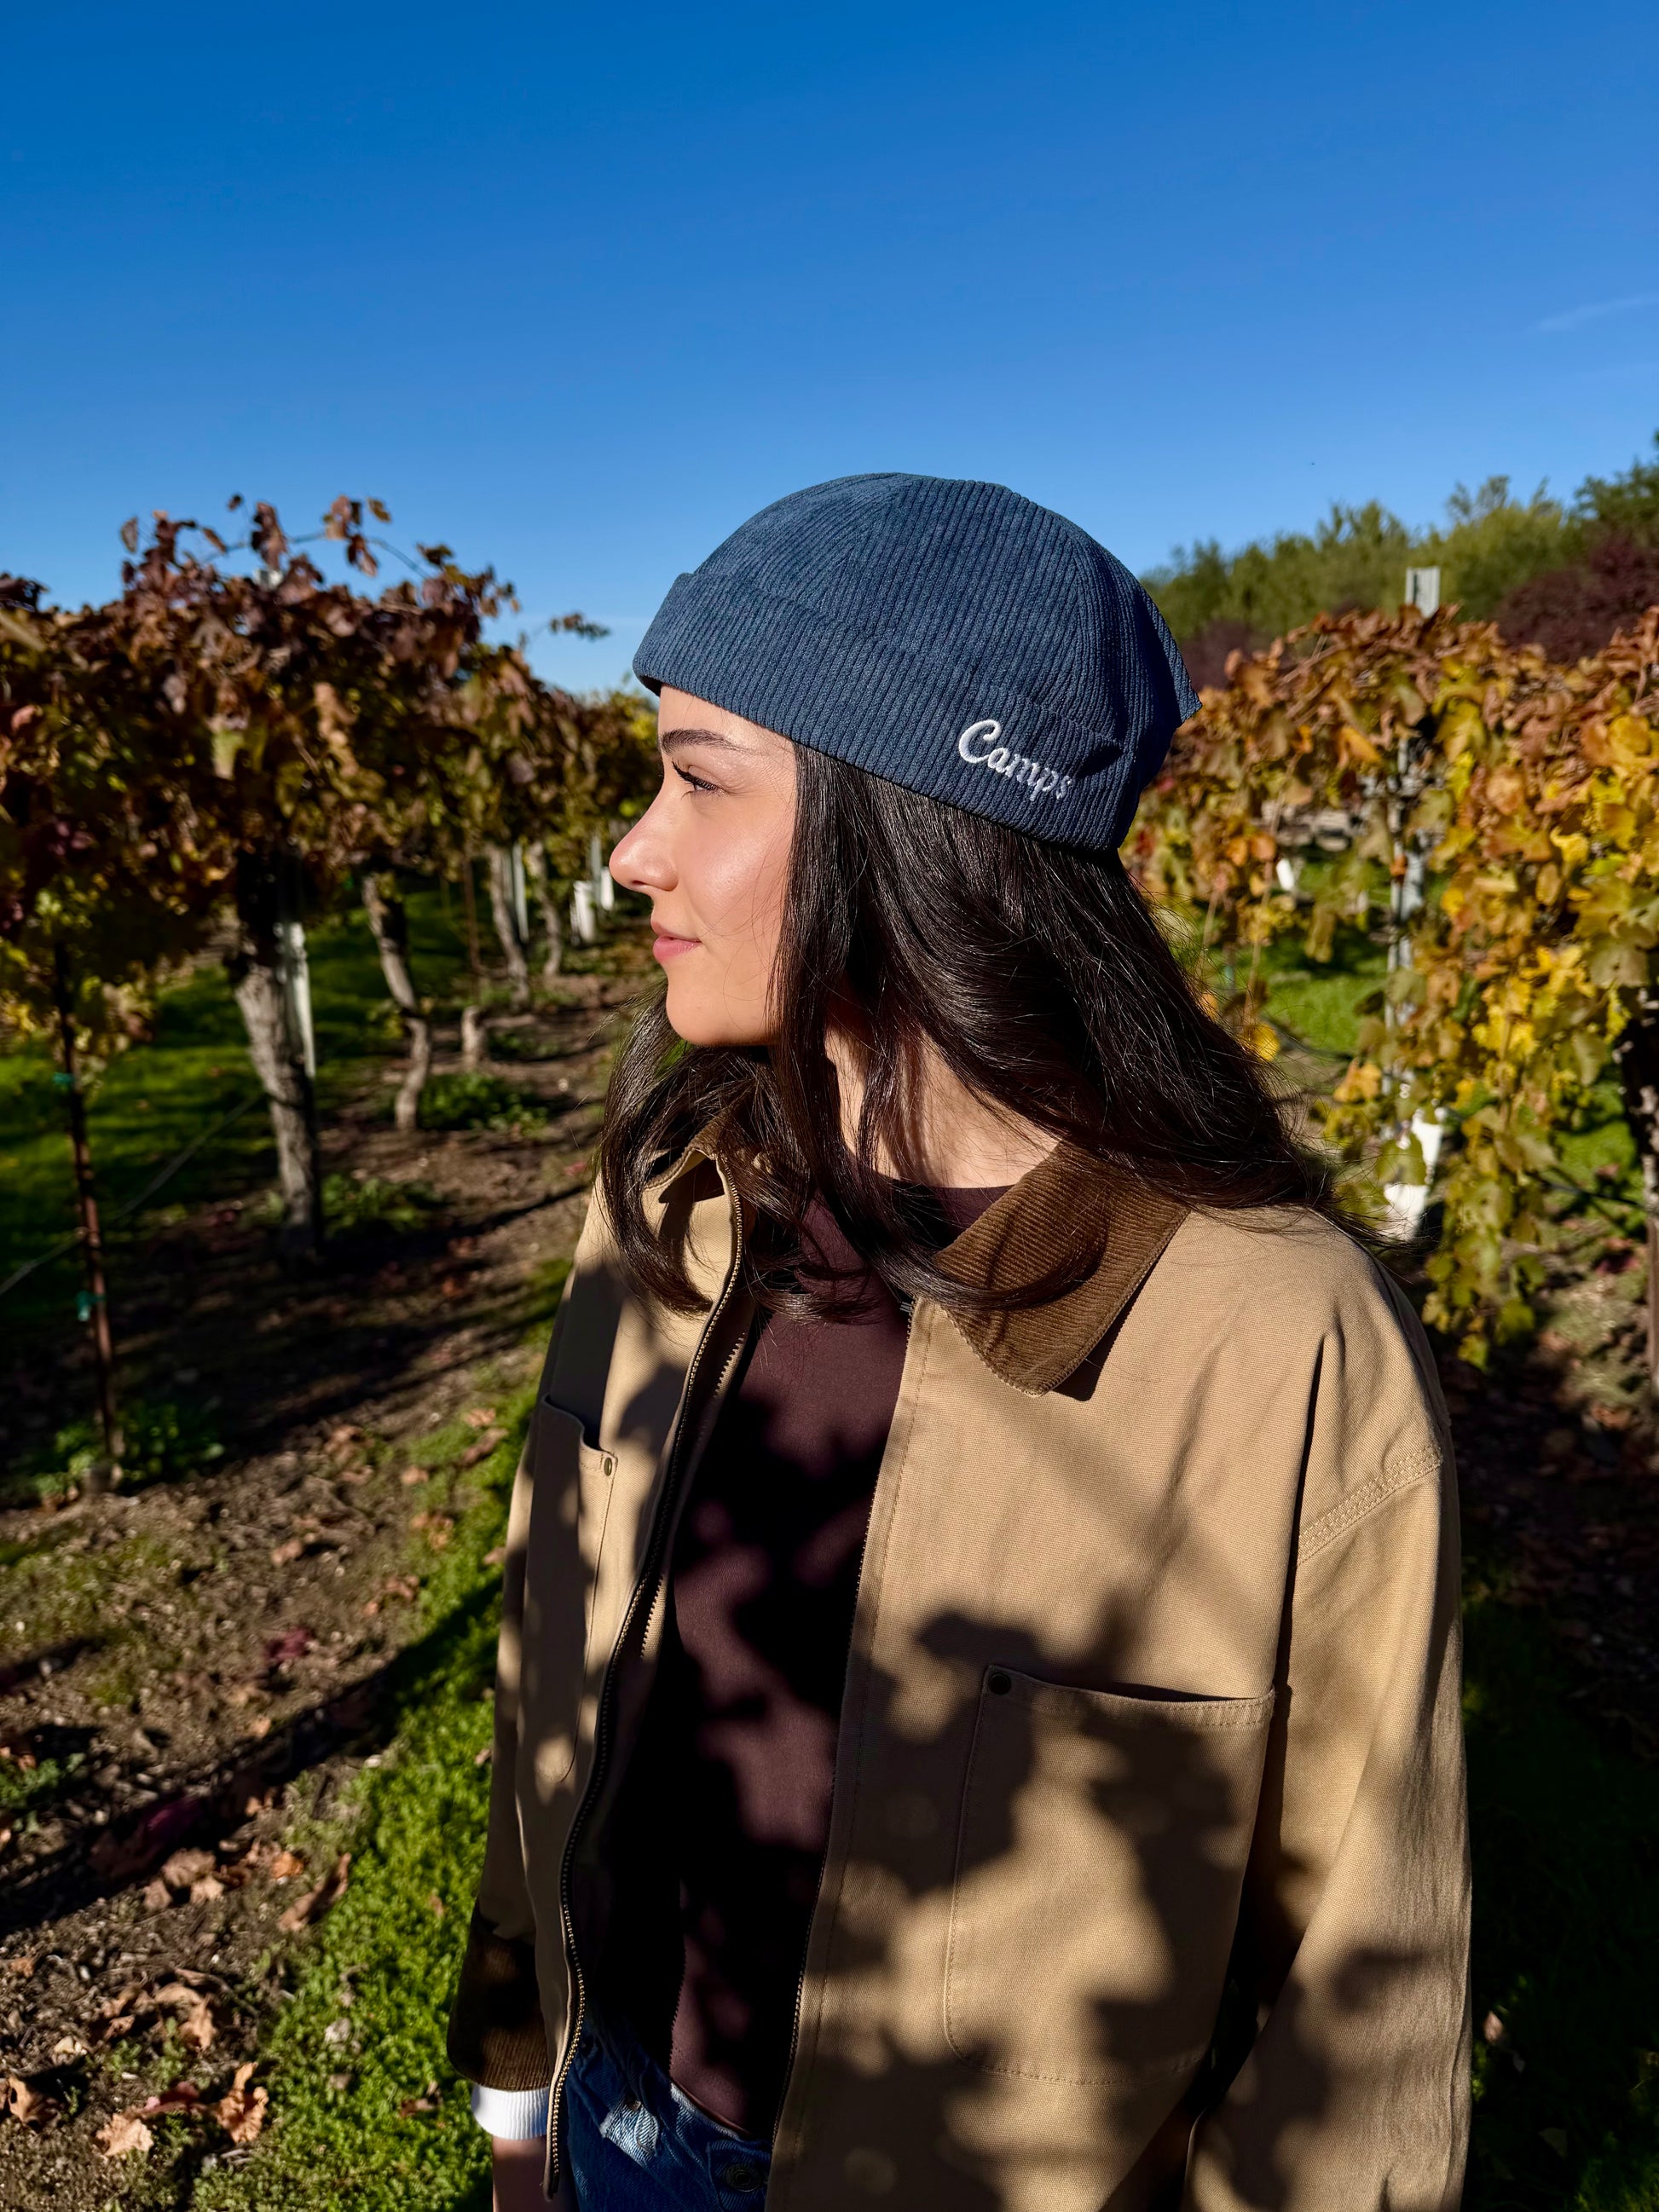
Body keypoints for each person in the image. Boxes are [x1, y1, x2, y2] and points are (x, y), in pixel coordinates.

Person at [448, 474, 1471, 2212]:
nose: (631, 847)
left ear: (913, 822)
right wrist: (522, 2094)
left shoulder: (1276, 1341)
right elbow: (556, 1662)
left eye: (699, 777)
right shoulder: (672, 1214)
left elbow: (1358, 1997)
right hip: (620, 2119)